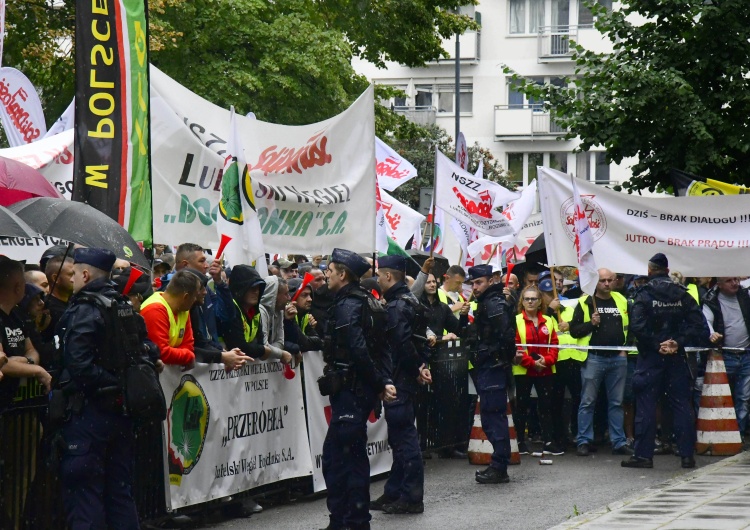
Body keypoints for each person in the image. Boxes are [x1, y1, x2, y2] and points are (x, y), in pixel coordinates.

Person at [55, 248, 141, 529]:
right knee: (119, 491)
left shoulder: (86, 309)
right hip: (121, 410)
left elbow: (78, 364)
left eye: (72, 274)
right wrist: (119, 386)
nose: (70, 280)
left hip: (89, 412)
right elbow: (143, 351)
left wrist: (107, 384)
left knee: (85, 494)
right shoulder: (122, 305)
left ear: (85, 274)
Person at [321, 248, 396, 530]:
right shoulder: (368, 302)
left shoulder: (348, 305)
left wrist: (379, 383)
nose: (326, 275)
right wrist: (383, 381)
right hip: (360, 391)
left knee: (343, 459)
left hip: (352, 392)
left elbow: (359, 349)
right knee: (344, 456)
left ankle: (350, 521)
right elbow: (383, 347)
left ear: (342, 274)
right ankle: (347, 519)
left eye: (330, 270)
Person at [622, 253, 708, 469]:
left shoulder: (643, 294)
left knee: (646, 406)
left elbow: (637, 326)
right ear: (668, 271)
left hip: (651, 357)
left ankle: (643, 455)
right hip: (676, 357)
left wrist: (656, 344)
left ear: (649, 271)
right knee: (681, 405)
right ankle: (687, 455)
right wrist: (676, 343)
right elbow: (698, 326)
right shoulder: (683, 294)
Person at [371, 255, 430, 515]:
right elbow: (420, 339)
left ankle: (411, 497)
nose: (376, 279)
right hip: (406, 376)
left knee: (405, 440)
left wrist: (416, 369)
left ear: (387, 276)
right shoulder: (411, 300)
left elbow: (402, 344)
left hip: (400, 379)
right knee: (400, 438)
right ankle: (395, 490)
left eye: (378, 274)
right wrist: (421, 366)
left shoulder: (396, 306)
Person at [460, 264, 516, 484]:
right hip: (488, 366)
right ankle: (498, 463)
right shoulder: (484, 302)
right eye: (473, 283)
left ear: (490, 281)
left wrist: (500, 358)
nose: (475, 287)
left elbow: (506, 335)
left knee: (493, 417)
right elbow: (472, 335)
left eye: (479, 282)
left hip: (493, 366)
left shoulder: (493, 303)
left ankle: (499, 465)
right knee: (490, 417)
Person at [569, 268, 634, 457]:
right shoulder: (585, 302)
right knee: (587, 401)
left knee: (616, 403)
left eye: (609, 280)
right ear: (595, 282)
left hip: (617, 359)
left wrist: (625, 348)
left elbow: (631, 327)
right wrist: (591, 323)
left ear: (615, 281)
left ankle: (618, 442)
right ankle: (583, 441)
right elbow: (574, 331)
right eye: (602, 280)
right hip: (594, 358)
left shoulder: (623, 300)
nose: (606, 283)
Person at [513, 285, 560, 455]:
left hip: (545, 370)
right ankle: (519, 441)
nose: (530, 301)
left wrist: (546, 361)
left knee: (546, 406)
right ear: (522, 302)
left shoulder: (549, 320)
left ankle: (548, 441)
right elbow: (516, 347)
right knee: (522, 406)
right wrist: (532, 363)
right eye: (527, 299)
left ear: (540, 302)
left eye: (534, 298)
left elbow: (554, 345)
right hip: (523, 370)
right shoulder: (516, 320)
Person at [214, 264, 292, 364]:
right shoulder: (232, 309)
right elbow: (239, 346)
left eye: (258, 288)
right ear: (241, 288)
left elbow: (259, 343)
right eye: (252, 288)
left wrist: (260, 349)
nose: (256, 291)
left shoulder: (255, 312)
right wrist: (263, 350)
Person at [0, 258, 50, 410]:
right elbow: (2, 363)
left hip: (18, 403)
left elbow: (31, 350)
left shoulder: (17, 315)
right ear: (18, 287)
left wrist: (25, 362)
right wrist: (37, 370)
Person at [703, 277, 750, 434]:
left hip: (746, 354)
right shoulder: (710, 299)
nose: (735, 283)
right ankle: (722, 434)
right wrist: (711, 333)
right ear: (719, 284)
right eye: (729, 280)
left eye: (736, 279)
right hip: (724, 355)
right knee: (722, 397)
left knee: (743, 398)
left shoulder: (745, 295)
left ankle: (739, 434)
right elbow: (706, 320)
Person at [183, 268, 251, 371]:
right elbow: (167, 351)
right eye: (201, 288)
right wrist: (222, 356)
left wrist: (223, 353)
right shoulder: (159, 308)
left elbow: (200, 340)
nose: (205, 292)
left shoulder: (191, 308)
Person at [141, 270, 202, 368]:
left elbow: (188, 345)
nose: (195, 300)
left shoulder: (183, 309)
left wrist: (183, 354)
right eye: (194, 296)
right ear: (186, 297)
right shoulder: (154, 310)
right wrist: (188, 356)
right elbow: (162, 352)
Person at [41, 253, 75, 345]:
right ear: (55, 278)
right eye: (71, 274)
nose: (75, 278)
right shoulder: (46, 308)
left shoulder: (74, 302)